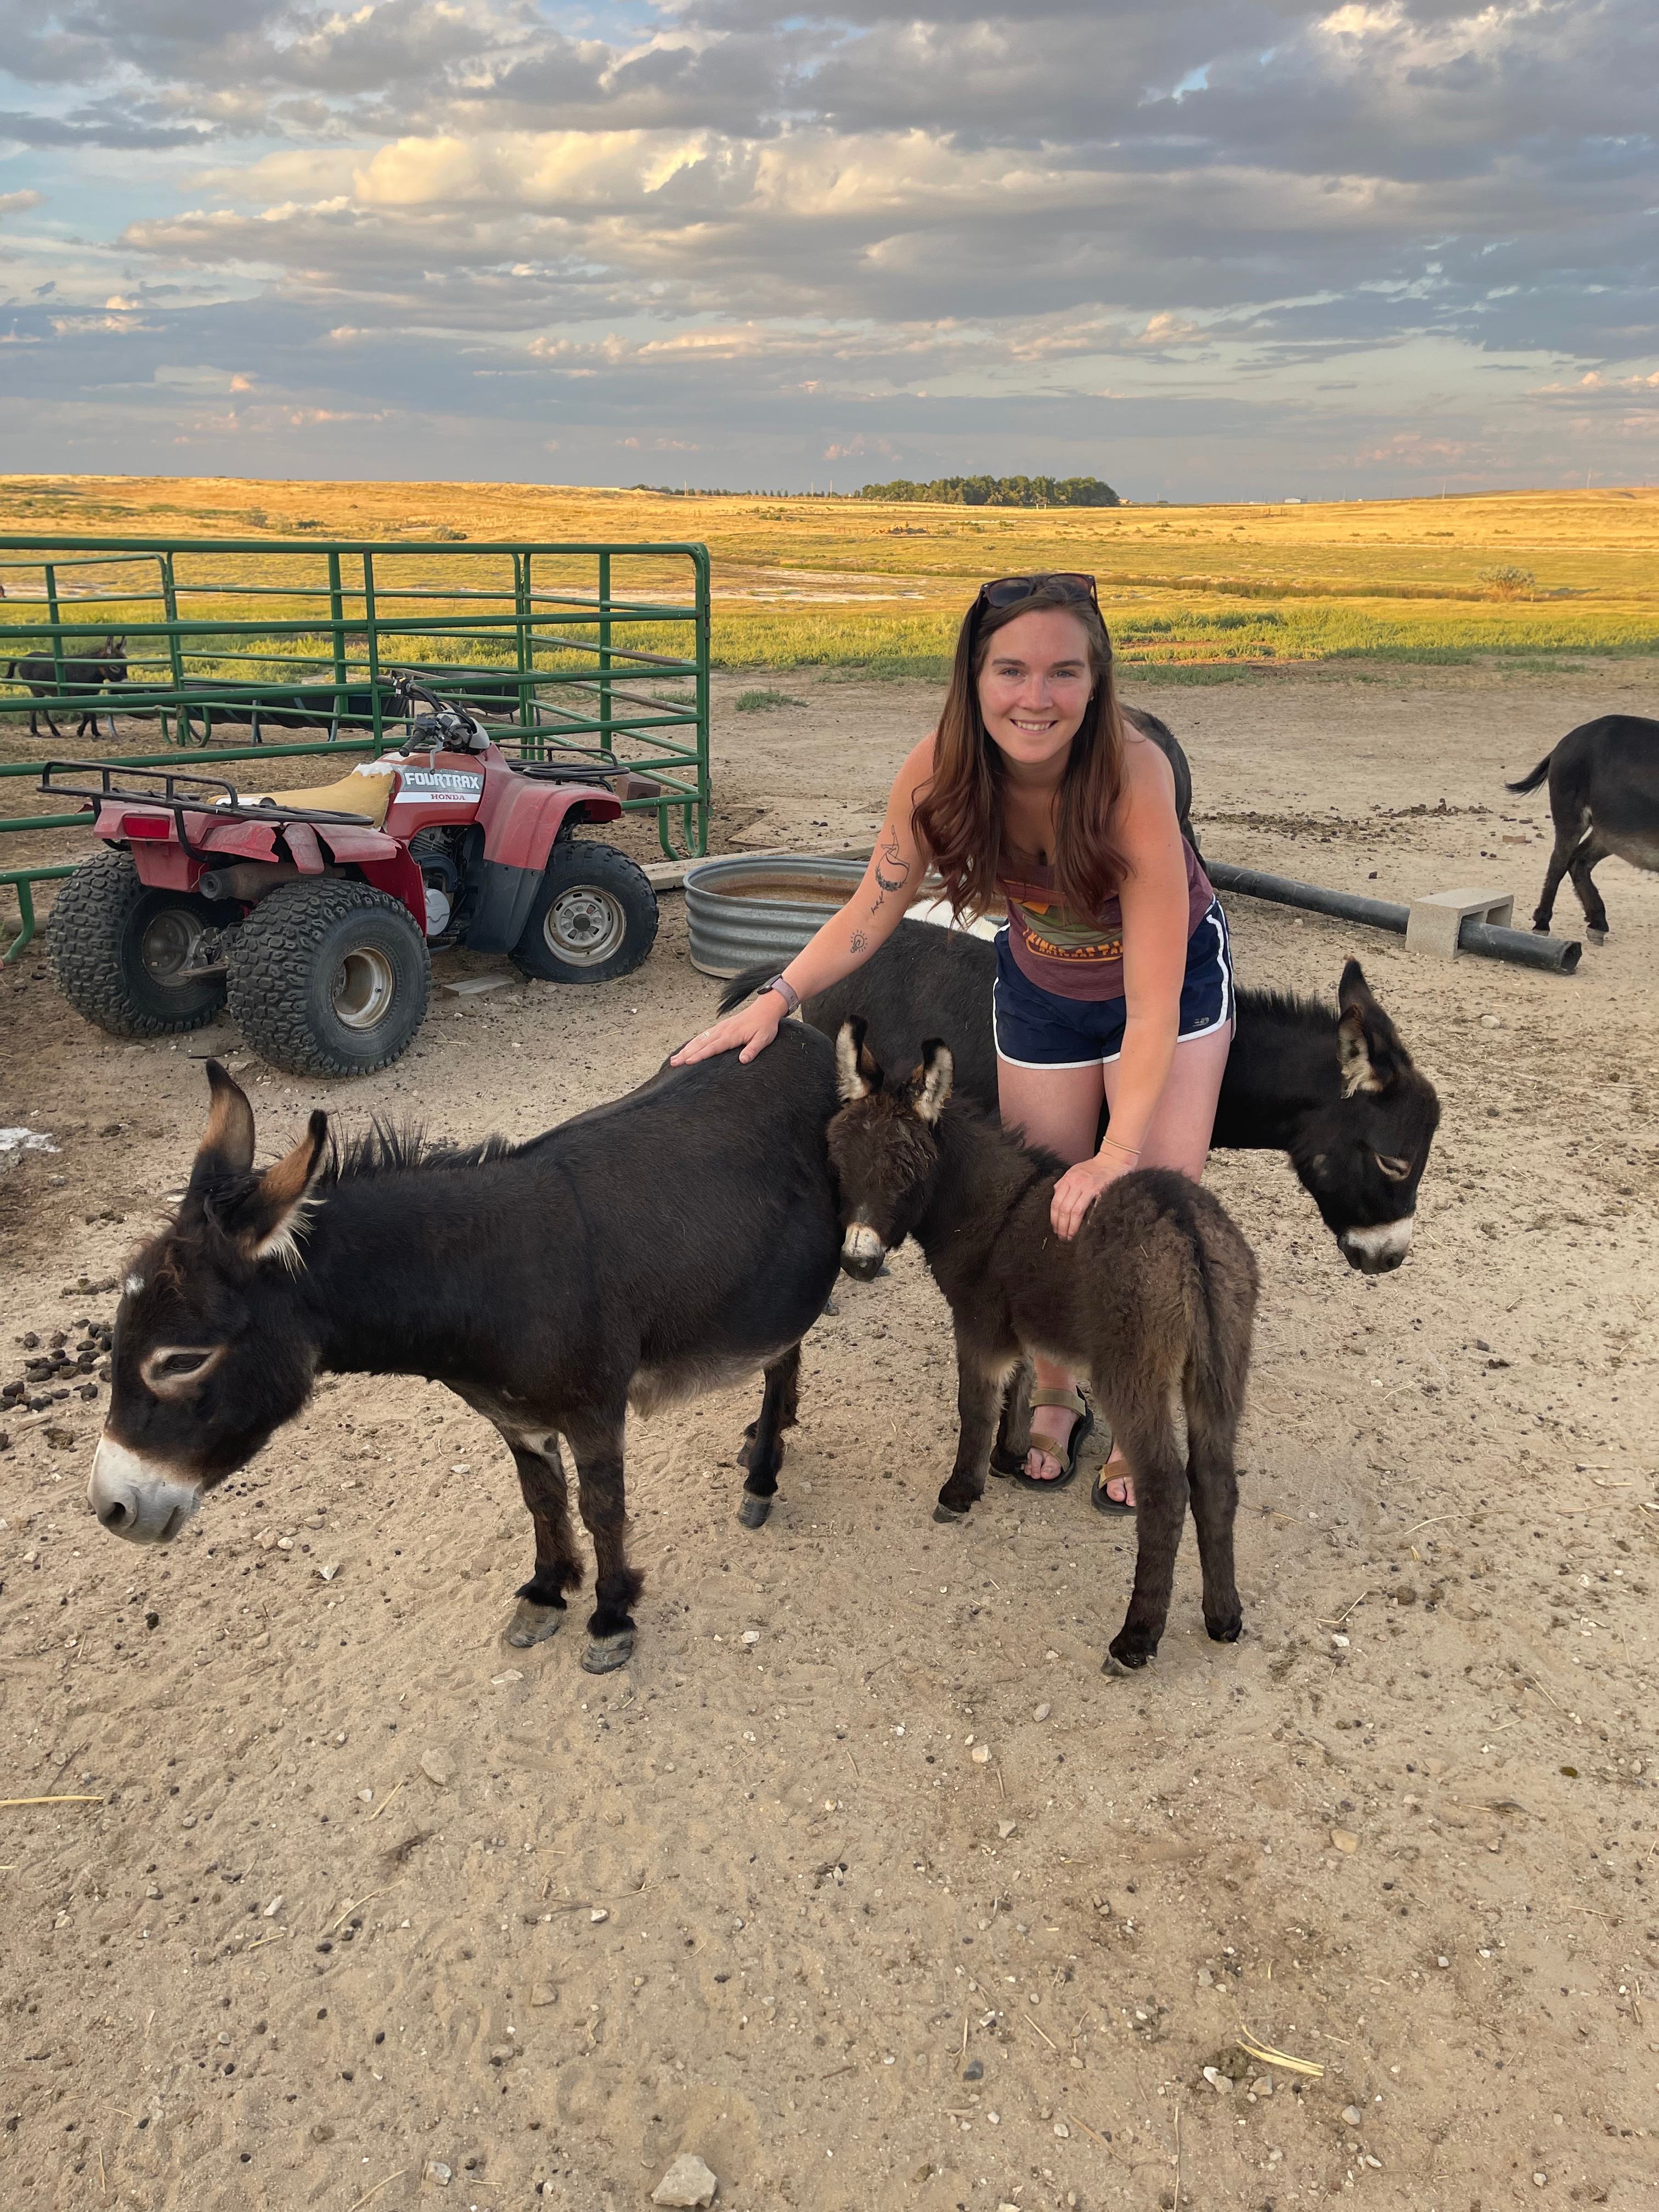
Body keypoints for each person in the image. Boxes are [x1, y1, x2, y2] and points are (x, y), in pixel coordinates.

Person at [673, 572, 1233, 1511]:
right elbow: (871, 905)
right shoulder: (939, 768)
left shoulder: (1135, 775)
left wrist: (1120, 1151)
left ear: (1097, 681)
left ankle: (1145, 1415)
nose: (1036, 696)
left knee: (1146, 1211)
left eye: (1064, 671)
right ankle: (1059, 1390)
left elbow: (1148, 1003)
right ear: (974, 678)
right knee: (1043, 1204)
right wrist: (776, 996)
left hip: (1164, 985)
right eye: (1010, 669)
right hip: (1046, 983)